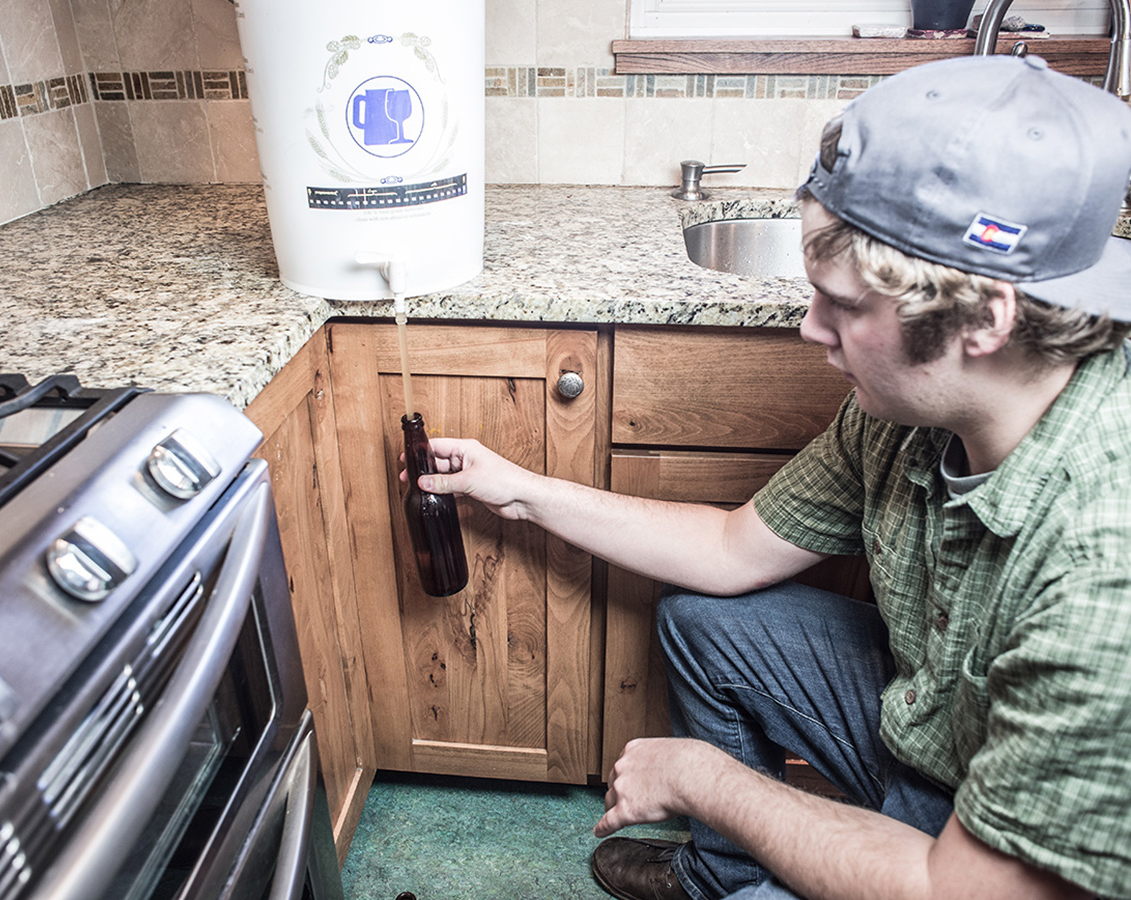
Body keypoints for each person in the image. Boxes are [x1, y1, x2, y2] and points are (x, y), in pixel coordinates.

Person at [405, 54, 1131, 899]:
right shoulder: (906, 411)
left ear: (982, 320)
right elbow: (729, 549)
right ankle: (722, 875)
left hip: (970, 867)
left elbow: (959, 891)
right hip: (933, 730)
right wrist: (521, 489)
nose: (809, 327)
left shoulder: (1103, 568)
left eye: (844, 305)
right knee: (706, 620)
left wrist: (702, 779)